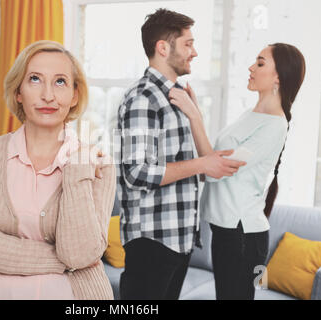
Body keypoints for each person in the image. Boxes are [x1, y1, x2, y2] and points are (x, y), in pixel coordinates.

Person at [0, 40, 116, 300]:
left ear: (75, 95)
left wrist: (76, 172)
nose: (48, 95)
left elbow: (80, 254)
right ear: (18, 91)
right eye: (34, 79)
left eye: (60, 82)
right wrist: (61, 262)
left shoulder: (99, 165)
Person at [116, 8, 246, 300]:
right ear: (163, 48)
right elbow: (136, 173)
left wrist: (208, 158)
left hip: (178, 239)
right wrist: (203, 163)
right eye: (188, 43)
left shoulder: (177, 96)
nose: (195, 52)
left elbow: (191, 166)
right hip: (152, 242)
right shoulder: (144, 98)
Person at [169, 43, 306, 300]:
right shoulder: (251, 114)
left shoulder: (275, 125)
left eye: (261, 63)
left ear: (278, 76)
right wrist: (194, 112)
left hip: (243, 236)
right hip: (226, 231)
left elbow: (218, 168)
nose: (251, 67)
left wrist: (193, 116)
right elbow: (211, 159)